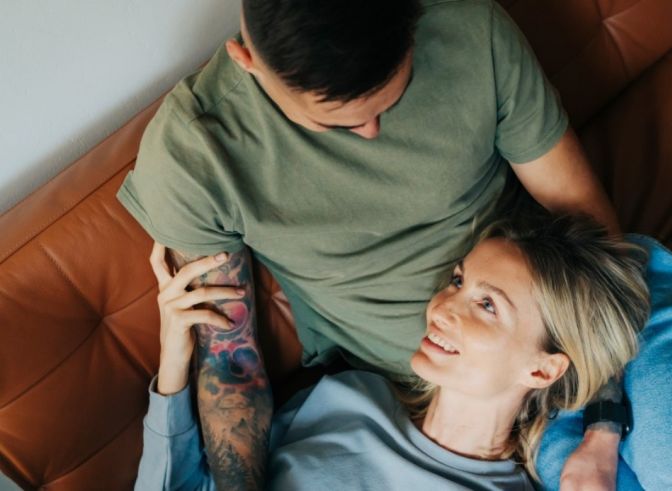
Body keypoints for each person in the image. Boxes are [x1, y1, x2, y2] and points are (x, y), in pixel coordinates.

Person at [117, 0, 629, 488]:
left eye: (392, 96)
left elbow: (595, 235)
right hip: (437, 399)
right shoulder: (194, 155)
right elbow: (232, 371)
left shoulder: (470, 28)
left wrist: (607, 417)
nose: (370, 131)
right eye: (334, 120)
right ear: (247, 62)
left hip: (575, 312)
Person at [136, 214, 651, 490]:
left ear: (543, 368)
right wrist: (175, 360)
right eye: (457, 280)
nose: (444, 308)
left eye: (487, 305)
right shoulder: (345, 397)